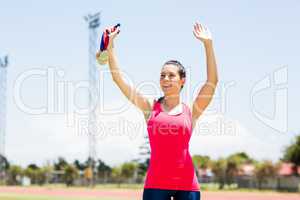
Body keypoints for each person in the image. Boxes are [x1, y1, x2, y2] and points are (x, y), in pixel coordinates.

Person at [97, 22, 218, 200]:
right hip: (156, 184)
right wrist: (110, 47)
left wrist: (208, 45)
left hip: (187, 185)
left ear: (182, 80)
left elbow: (212, 82)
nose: (165, 79)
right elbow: (118, 79)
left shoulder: (192, 110)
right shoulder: (149, 107)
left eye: (171, 75)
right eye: (162, 75)